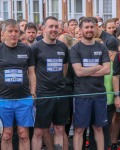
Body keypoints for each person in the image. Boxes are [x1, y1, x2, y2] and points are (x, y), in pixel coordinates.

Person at [70, 17, 110, 150]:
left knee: (98, 128)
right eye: (86, 27)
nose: (89, 30)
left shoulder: (102, 47)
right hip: (82, 95)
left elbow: (107, 69)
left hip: (99, 94)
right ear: (80, 30)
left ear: (96, 28)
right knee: (79, 130)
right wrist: (97, 67)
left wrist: (86, 71)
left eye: (92, 27)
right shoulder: (75, 49)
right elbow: (79, 72)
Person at [31, 16, 69, 150]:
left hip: (60, 94)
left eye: (56, 26)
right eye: (50, 26)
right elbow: (31, 72)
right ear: (43, 29)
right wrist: (34, 91)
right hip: (43, 95)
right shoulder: (36, 47)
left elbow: (64, 69)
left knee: (59, 129)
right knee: (39, 131)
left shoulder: (63, 47)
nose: (54, 29)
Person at [0, 19, 36, 150]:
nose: (14, 34)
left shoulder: (26, 49)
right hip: (3, 100)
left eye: (16, 31)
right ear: (3, 33)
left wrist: (33, 93)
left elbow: (32, 73)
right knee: (6, 135)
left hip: (24, 98)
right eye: (10, 31)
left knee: (23, 135)